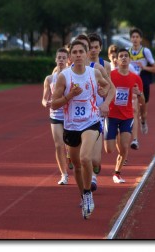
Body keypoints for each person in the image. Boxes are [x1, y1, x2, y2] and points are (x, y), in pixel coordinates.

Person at [51, 40, 113, 219]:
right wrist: (69, 96)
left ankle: (87, 193)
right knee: (77, 166)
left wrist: (104, 93)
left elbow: (108, 85)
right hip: (71, 126)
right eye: (75, 52)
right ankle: (84, 194)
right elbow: (54, 103)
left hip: (91, 121)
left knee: (86, 158)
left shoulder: (94, 73)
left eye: (81, 52)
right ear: (70, 56)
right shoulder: (64, 76)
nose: (78, 55)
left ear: (86, 55)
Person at [76, 34, 115, 191]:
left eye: (93, 47)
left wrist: (105, 101)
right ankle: (87, 185)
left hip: (96, 114)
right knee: (82, 158)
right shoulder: (69, 70)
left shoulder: (99, 67)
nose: (91, 50)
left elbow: (110, 87)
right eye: (88, 47)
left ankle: (94, 169)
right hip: (76, 118)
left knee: (95, 159)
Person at [104, 48, 145, 183]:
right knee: (109, 149)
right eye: (121, 56)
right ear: (117, 59)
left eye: (126, 56)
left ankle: (117, 173)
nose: (123, 58)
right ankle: (114, 135)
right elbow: (104, 91)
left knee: (124, 147)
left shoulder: (135, 78)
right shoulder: (111, 75)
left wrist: (138, 93)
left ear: (129, 59)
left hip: (127, 116)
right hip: (111, 115)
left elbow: (142, 100)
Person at [42, 47, 69, 185]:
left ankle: (70, 160)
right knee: (59, 145)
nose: (61, 60)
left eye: (64, 58)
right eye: (59, 58)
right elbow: (44, 98)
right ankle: (64, 174)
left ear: (68, 60)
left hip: (70, 115)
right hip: (55, 115)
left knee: (70, 146)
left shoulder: (71, 76)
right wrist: (45, 102)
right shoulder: (49, 78)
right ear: (56, 59)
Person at [128, 27, 155, 136]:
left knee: (143, 111)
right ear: (130, 39)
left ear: (140, 39)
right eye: (133, 37)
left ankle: (143, 121)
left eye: (137, 37)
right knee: (132, 107)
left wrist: (144, 67)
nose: (135, 39)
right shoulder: (127, 51)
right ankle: (129, 125)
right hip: (131, 82)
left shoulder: (145, 51)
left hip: (143, 81)